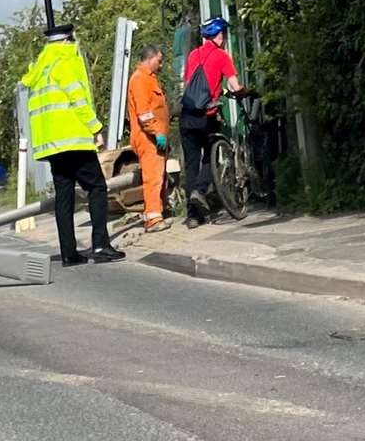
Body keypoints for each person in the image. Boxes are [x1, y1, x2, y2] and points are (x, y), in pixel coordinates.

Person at [21, 23, 125, 267]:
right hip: (74, 140)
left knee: (64, 197)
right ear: (68, 40)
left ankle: (69, 253)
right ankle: (100, 244)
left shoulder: (40, 67)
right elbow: (78, 99)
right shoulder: (66, 61)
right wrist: (95, 128)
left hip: (52, 145)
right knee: (97, 188)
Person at [179, 16, 243, 228]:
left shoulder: (193, 56)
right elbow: (234, 85)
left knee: (190, 165)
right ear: (220, 35)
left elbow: (190, 85)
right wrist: (243, 92)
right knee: (210, 156)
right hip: (206, 116)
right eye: (223, 34)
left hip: (187, 116)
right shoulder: (222, 56)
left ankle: (193, 217)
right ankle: (200, 189)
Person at [126, 44, 170, 232]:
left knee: (159, 177)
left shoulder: (149, 79)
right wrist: (156, 132)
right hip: (148, 138)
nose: (161, 65)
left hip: (154, 137)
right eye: (159, 61)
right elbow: (144, 113)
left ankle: (157, 212)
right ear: (150, 59)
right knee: (153, 178)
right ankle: (153, 219)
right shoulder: (140, 80)